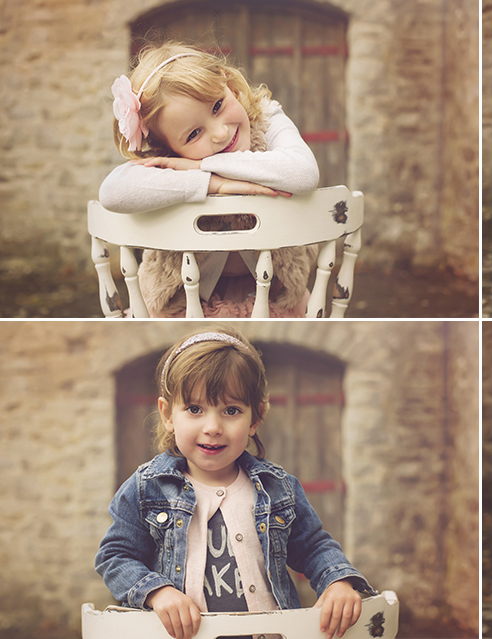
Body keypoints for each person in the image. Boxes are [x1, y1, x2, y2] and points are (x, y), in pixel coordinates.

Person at [96, 327, 372, 639]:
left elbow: (314, 547)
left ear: (255, 418)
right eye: (195, 409)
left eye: (231, 410)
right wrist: (156, 592)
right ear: (167, 415)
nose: (212, 427)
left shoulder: (277, 489)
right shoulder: (147, 489)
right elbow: (115, 556)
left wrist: (337, 580)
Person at [100, 42, 321, 317]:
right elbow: (112, 192)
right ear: (165, 149)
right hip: (185, 303)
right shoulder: (164, 164)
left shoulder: (266, 116)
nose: (219, 133)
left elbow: (304, 173)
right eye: (193, 135)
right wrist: (211, 183)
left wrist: (201, 163)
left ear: (229, 85)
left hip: (273, 297)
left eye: (218, 105)